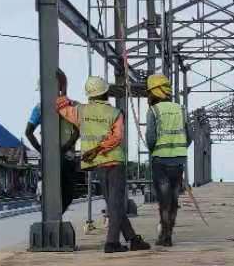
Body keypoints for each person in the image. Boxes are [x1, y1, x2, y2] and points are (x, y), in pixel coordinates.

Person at [62, 76, 150, 253]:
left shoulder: (80, 111)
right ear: (106, 93)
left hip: (98, 165)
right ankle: (112, 243)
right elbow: (117, 138)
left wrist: (63, 90)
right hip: (114, 162)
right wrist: (100, 147)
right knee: (115, 204)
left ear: (89, 95)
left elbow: (61, 106)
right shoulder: (115, 113)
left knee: (113, 204)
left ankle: (132, 239)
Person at [144, 73, 192, 247]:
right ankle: (169, 233)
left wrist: (154, 149)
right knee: (173, 199)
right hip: (178, 161)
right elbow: (190, 136)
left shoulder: (154, 111)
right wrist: (178, 148)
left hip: (160, 161)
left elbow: (150, 137)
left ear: (154, 92)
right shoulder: (181, 109)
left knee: (163, 201)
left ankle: (164, 236)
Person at [25, 69, 82, 214]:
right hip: (67, 158)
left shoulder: (39, 108)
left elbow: (28, 132)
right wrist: (65, 148)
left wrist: (42, 150)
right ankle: (55, 219)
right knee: (67, 194)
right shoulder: (73, 106)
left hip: (48, 159)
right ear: (63, 86)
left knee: (49, 193)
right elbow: (78, 130)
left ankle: (52, 219)